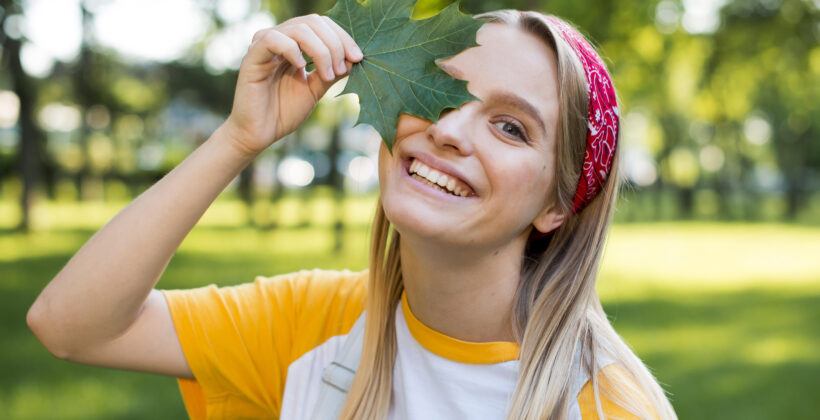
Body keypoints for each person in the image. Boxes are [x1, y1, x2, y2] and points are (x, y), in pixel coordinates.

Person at [26, 8, 677, 420]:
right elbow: (72, 325)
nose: (451, 131)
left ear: (558, 207)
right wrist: (239, 139)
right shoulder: (316, 326)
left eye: (510, 127)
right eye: (444, 91)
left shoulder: (606, 408)